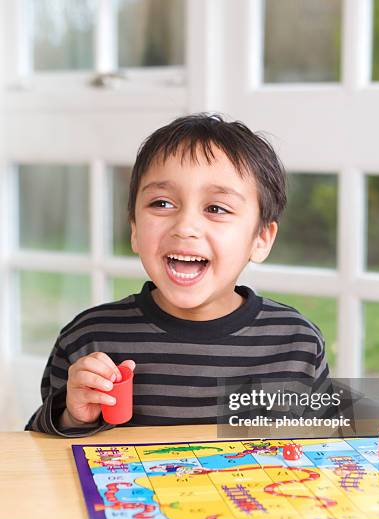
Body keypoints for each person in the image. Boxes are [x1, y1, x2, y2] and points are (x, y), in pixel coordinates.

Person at [25, 112, 331, 437]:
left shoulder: (296, 344)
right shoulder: (88, 339)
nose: (185, 227)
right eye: (162, 203)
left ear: (261, 239)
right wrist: (73, 417)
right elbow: (38, 448)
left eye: (216, 208)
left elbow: (326, 449)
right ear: (134, 230)